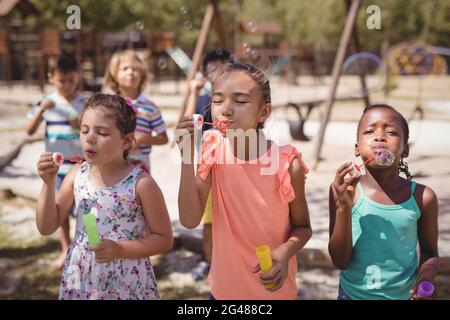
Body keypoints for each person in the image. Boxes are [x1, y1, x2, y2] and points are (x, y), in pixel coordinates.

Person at [176, 63, 312, 299]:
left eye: (239, 101)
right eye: (217, 101)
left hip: (274, 293)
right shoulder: (212, 149)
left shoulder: (288, 164)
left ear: (264, 112)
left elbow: (304, 228)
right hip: (224, 293)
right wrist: (187, 157)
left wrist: (284, 252)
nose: (225, 110)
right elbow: (189, 220)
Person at [35, 94, 173, 299]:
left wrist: (120, 250)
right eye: (84, 130)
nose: (90, 138)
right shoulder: (76, 175)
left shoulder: (141, 184)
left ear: (126, 141)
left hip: (126, 280)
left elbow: (164, 240)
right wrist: (47, 184)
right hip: (81, 277)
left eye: (101, 132)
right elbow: (46, 227)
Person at [329, 104, 439, 300]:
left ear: (405, 149)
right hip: (352, 295)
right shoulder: (343, 191)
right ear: (356, 148)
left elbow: (430, 253)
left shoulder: (423, 197)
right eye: (370, 131)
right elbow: (340, 261)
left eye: (391, 132)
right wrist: (343, 207)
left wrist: (425, 280)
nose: (380, 137)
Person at [27, 53, 86, 269]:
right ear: (51, 77)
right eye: (62, 80)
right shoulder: (47, 102)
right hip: (57, 167)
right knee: (59, 211)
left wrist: (81, 125)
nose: (68, 85)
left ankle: (89, 248)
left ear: (78, 77)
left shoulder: (85, 103)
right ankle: (65, 248)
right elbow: (29, 130)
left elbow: (93, 132)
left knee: (84, 208)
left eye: (72, 80)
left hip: (81, 165)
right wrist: (41, 109)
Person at [185, 49, 234, 281]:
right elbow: (186, 126)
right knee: (209, 221)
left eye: (223, 67)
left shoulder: (236, 100)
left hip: (235, 171)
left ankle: (230, 261)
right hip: (209, 172)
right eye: (213, 68)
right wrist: (193, 92)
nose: (218, 72)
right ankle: (207, 260)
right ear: (204, 73)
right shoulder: (203, 100)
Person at [104, 50, 168, 172]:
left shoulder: (150, 107)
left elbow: (163, 139)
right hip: (112, 164)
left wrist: (141, 139)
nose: (130, 72)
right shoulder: (109, 105)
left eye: (135, 69)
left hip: (140, 166)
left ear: (142, 74)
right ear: (114, 75)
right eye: (125, 68)